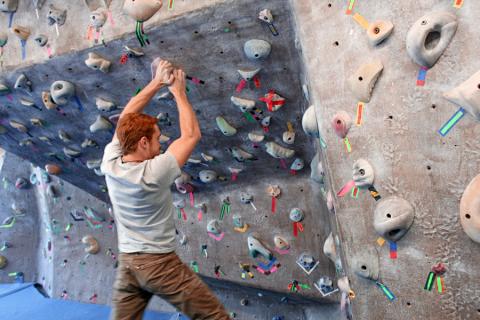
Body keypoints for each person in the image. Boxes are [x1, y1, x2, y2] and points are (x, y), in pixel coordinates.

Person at [101, 59, 230, 320]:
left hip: (129, 264)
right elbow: (191, 135)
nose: (161, 144)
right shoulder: (153, 173)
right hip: (159, 265)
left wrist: (156, 82)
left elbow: (126, 118)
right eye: (158, 139)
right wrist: (178, 92)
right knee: (214, 317)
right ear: (144, 142)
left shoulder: (111, 160)